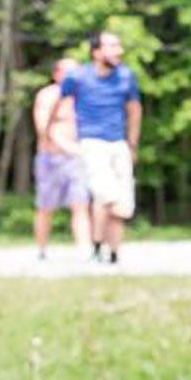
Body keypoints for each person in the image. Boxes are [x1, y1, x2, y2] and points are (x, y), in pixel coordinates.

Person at [60, 31, 142, 265]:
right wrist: (63, 140)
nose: (119, 51)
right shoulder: (77, 77)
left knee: (122, 204)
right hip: (91, 142)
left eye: (119, 45)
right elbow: (61, 107)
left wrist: (132, 144)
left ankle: (112, 252)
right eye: (112, 46)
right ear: (96, 52)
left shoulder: (126, 76)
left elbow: (135, 110)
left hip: (118, 143)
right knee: (107, 194)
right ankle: (96, 246)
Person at [32, 58, 90, 259]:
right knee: (45, 206)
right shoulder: (48, 96)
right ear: (57, 74)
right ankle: (41, 250)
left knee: (81, 204)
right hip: (51, 158)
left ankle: (84, 250)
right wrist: (68, 147)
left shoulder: (82, 97)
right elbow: (44, 128)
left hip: (76, 158)